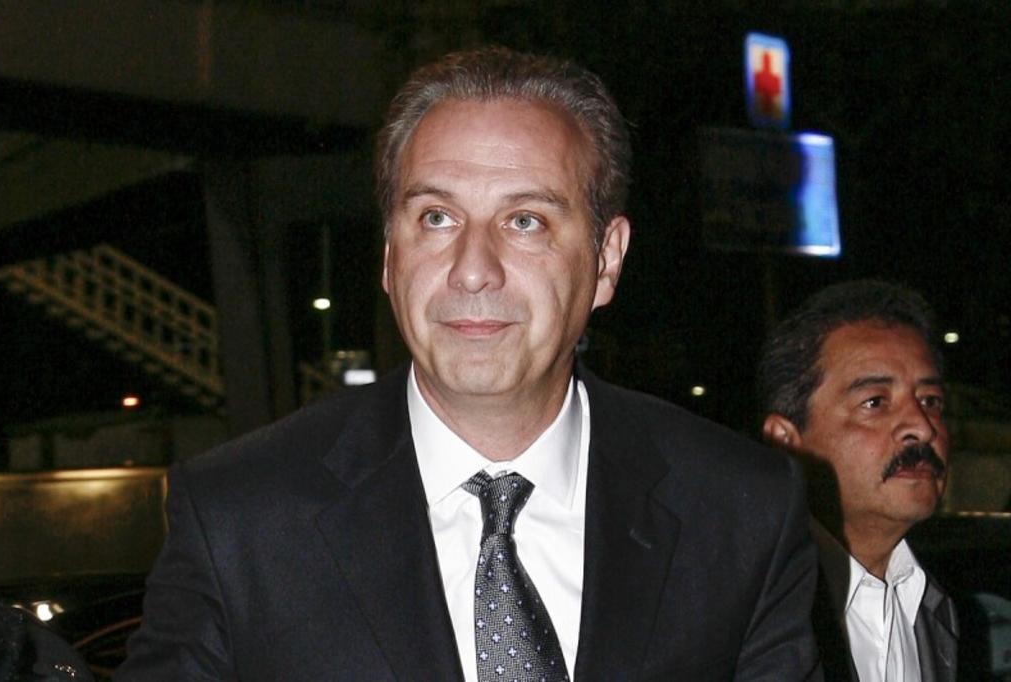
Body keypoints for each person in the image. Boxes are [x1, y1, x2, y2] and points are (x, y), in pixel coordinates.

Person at [118, 46, 819, 680]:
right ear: (389, 256)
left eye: (525, 221)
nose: (473, 269)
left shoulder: (741, 510)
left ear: (606, 260)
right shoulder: (237, 518)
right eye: (436, 218)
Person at [758, 280, 958, 682]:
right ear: (785, 442)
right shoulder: (743, 613)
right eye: (875, 402)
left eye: (930, 401)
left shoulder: (934, 607)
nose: (921, 427)